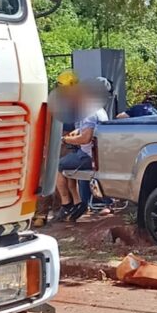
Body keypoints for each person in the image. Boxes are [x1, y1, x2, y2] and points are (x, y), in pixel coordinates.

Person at [53, 77, 110, 222]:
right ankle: (79, 203)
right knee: (70, 162)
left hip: (90, 156)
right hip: (101, 155)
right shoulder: (99, 110)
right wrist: (77, 130)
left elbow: (86, 138)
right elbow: (92, 129)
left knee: (58, 166)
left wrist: (65, 139)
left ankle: (67, 204)